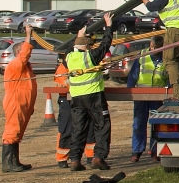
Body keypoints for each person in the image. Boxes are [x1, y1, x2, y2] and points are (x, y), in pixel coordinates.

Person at [65, 13, 115, 172]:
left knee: (78, 129)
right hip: (94, 97)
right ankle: (98, 158)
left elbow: (75, 46)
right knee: (102, 126)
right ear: (87, 46)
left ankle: (74, 160)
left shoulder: (69, 57)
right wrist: (108, 26)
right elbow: (105, 44)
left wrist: (81, 34)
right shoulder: (91, 57)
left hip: (77, 98)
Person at [127, 35, 165, 162]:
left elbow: (169, 78)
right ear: (151, 45)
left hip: (157, 96)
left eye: (157, 48)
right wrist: (130, 91)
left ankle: (154, 151)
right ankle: (136, 151)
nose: (154, 49)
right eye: (153, 47)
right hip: (141, 95)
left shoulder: (165, 58)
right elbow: (133, 75)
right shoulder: (142, 56)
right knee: (138, 123)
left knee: (156, 125)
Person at [1, 38, 38, 173]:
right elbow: (24, 55)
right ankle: (8, 163)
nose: (29, 54)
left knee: (18, 133)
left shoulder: (25, 67)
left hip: (23, 104)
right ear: (19, 52)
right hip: (15, 103)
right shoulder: (15, 64)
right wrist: (28, 35)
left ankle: (14, 161)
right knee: (12, 131)